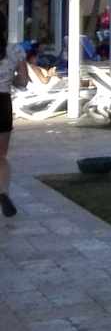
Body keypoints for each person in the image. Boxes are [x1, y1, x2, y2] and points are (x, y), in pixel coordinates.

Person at [3, 41, 51, 218]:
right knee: (1, 156)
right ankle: (3, 192)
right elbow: (23, 81)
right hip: (2, 103)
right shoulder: (15, 50)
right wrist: (11, 79)